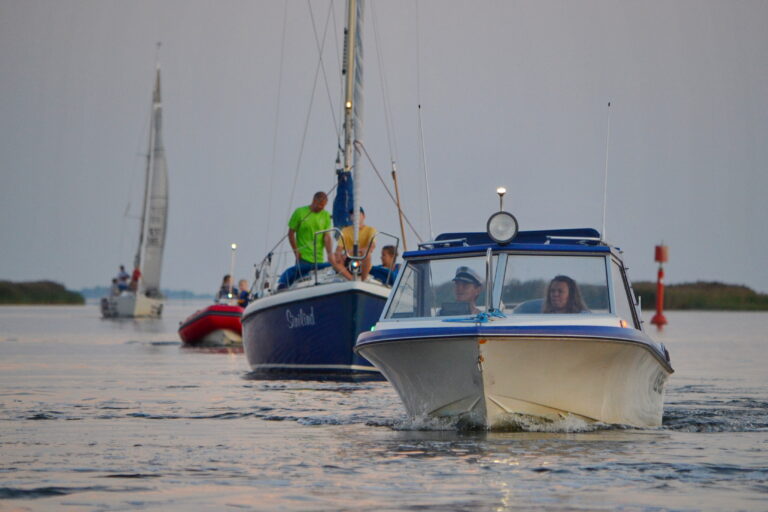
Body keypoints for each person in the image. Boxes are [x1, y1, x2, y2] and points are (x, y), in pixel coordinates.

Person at [278, 191, 334, 289]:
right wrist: (296, 250)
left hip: (318, 258)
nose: (321, 207)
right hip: (303, 256)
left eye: (324, 206)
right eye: (320, 204)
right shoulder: (300, 212)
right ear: (314, 201)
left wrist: (330, 253)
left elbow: (327, 236)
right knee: (302, 282)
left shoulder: (325, 215)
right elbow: (291, 233)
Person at [331, 207, 376, 281]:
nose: (355, 216)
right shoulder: (345, 230)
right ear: (350, 217)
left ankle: (363, 280)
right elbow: (339, 248)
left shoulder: (371, 230)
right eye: (353, 214)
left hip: (362, 259)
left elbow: (371, 247)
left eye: (358, 214)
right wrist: (339, 254)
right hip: (348, 260)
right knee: (332, 256)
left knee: (367, 254)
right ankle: (351, 279)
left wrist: (351, 251)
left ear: (363, 216)